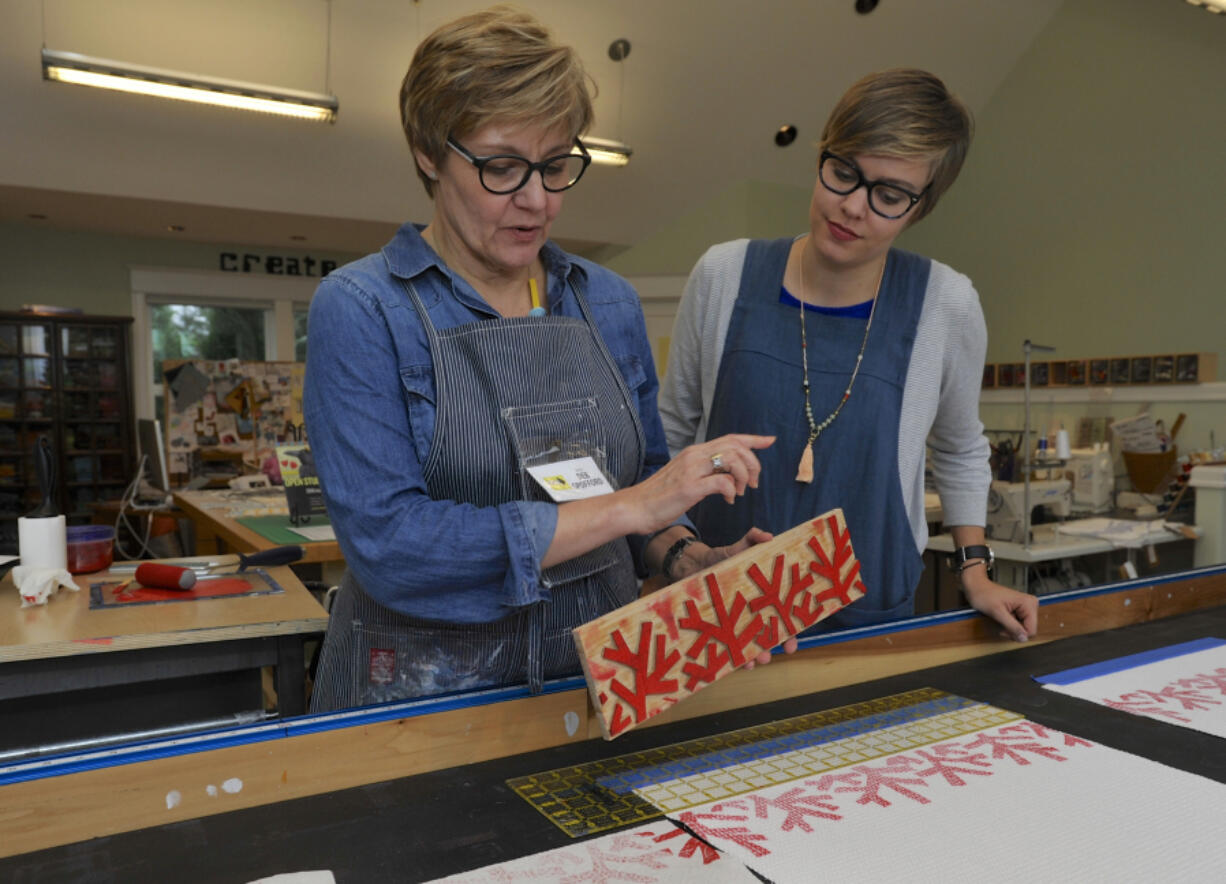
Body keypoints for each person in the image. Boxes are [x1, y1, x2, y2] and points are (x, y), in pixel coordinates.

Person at [303, 7, 773, 713]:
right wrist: (631, 506)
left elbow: (641, 475)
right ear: (429, 153)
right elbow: (392, 544)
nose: (537, 200)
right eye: (501, 167)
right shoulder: (365, 307)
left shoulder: (604, 301)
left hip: (601, 684)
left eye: (556, 166)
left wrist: (686, 557)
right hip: (420, 700)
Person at [659, 69, 1038, 642]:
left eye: (888, 195)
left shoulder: (946, 304)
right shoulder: (725, 275)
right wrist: (678, 553)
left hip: (870, 616)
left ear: (920, 207)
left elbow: (960, 449)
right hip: (717, 605)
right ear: (822, 156)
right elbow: (669, 433)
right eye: (843, 174)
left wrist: (976, 571)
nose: (853, 207)